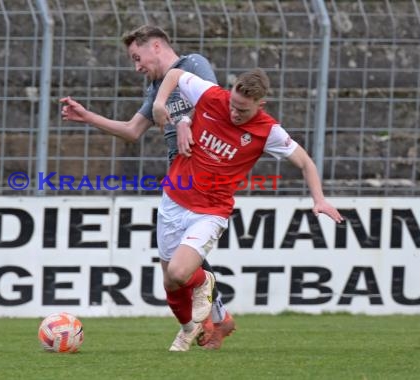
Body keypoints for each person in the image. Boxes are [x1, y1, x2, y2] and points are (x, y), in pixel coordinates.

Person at [60, 25, 234, 350]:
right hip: (179, 179)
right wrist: (88, 117)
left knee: (182, 261)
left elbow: (216, 106)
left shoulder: (193, 64)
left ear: (155, 46)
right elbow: (131, 131)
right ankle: (217, 318)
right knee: (177, 261)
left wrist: (183, 122)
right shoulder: (155, 87)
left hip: (204, 176)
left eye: (137, 57)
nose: (136, 66)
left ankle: (213, 322)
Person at [151, 67, 344, 351]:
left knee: (179, 274)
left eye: (242, 110)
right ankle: (191, 328)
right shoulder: (211, 95)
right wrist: (160, 103)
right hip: (173, 200)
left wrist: (320, 199)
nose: (234, 113)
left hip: (210, 212)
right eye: (232, 104)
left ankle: (206, 282)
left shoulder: (268, 131)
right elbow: (175, 74)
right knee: (170, 283)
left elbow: (305, 162)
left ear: (259, 104)